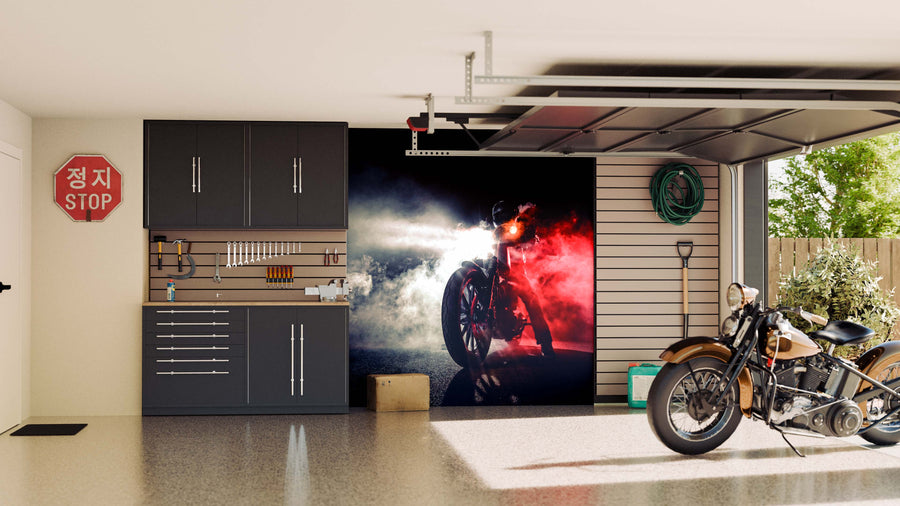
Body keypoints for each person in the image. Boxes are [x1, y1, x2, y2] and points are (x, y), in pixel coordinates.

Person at [491, 201, 555, 357]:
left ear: (513, 215)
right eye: (500, 215)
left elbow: (531, 237)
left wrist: (531, 236)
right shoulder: (491, 233)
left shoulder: (518, 229)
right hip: (494, 273)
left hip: (516, 274)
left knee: (533, 302)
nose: (503, 218)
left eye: (505, 214)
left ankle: (546, 343)